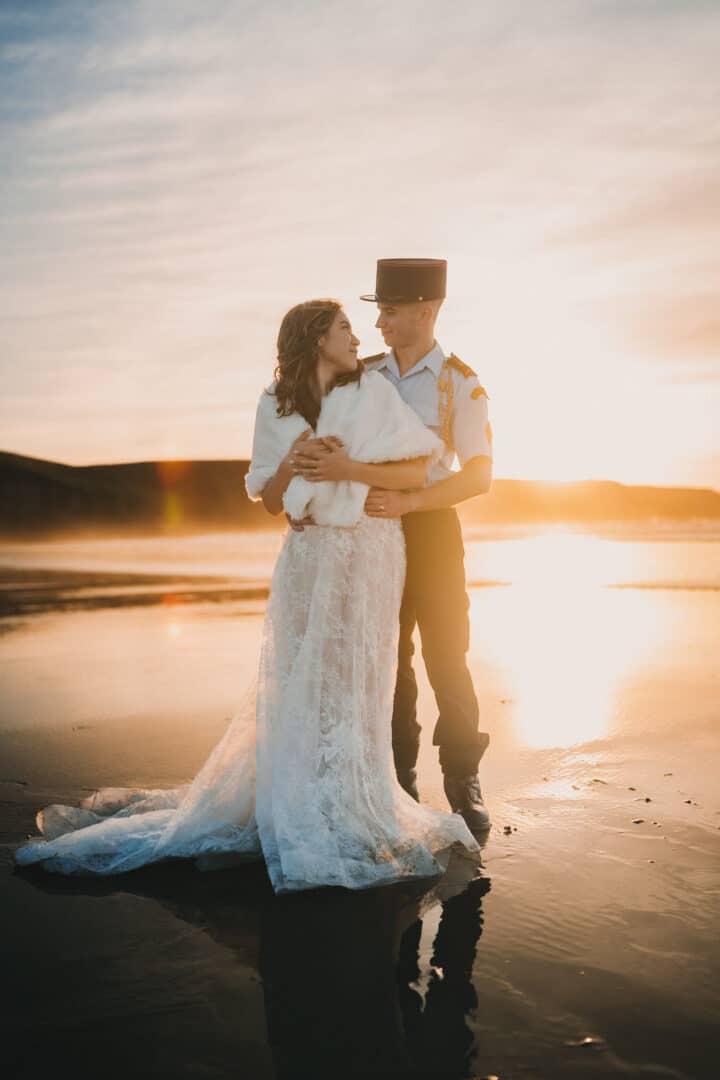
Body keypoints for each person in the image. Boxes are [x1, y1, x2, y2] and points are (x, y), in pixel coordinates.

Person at [13, 298, 483, 893]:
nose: (361, 333)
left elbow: (421, 469)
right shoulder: (276, 403)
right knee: (302, 678)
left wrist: (347, 468)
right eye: (345, 326)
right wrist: (290, 467)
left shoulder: (378, 390)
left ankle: (389, 789)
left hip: (370, 553)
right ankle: (310, 795)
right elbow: (269, 498)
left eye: (374, 317)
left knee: (368, 672)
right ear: (316, 339)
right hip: (308, 558)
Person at [293, 261, 493, 830]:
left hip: (431, 529)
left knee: (447, 654)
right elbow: (322, 440)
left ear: (425, 312)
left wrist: (412, 502)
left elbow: (479, 476)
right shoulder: (363, 375)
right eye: (378, 312)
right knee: (387, 656)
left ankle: (462, 776)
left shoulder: (461, 382)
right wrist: (304, 497)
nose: (378, 323)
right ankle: (397, 777)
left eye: (390, 311)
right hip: (369, 530)